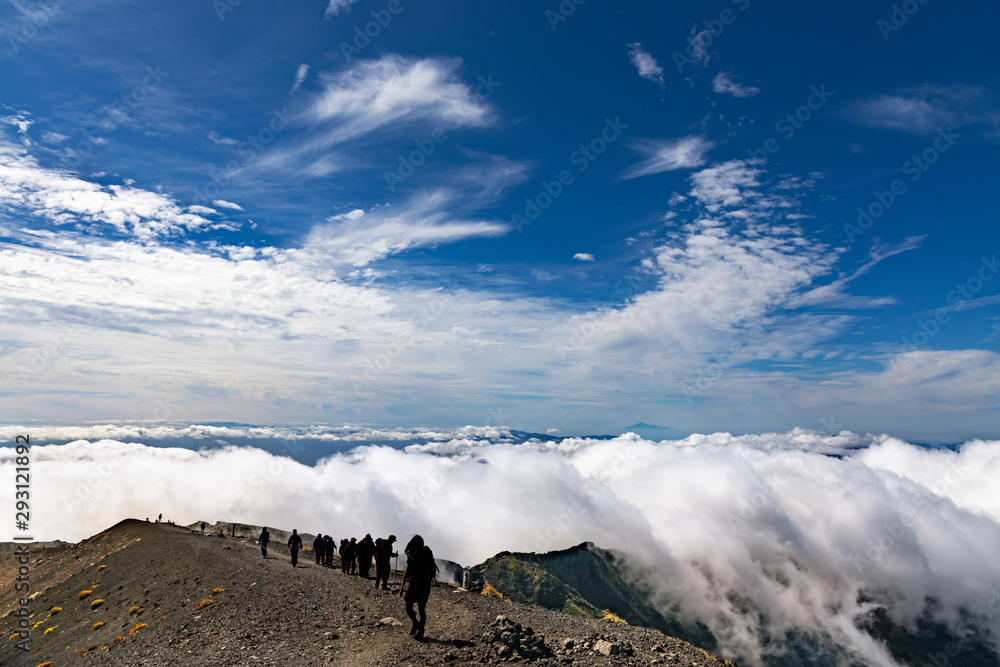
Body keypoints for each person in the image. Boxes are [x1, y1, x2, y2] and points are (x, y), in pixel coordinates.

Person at [400, 535, 437, 641]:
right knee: (408, 606)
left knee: (421, 608)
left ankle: (421, 631)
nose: (415, 548)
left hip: (424, 585)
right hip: (414, 583)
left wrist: (424, 594)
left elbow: (427, 577)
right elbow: (407, 571)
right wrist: (402, 587)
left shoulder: (425, 558)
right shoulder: (411, 555)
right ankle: (415, 623)